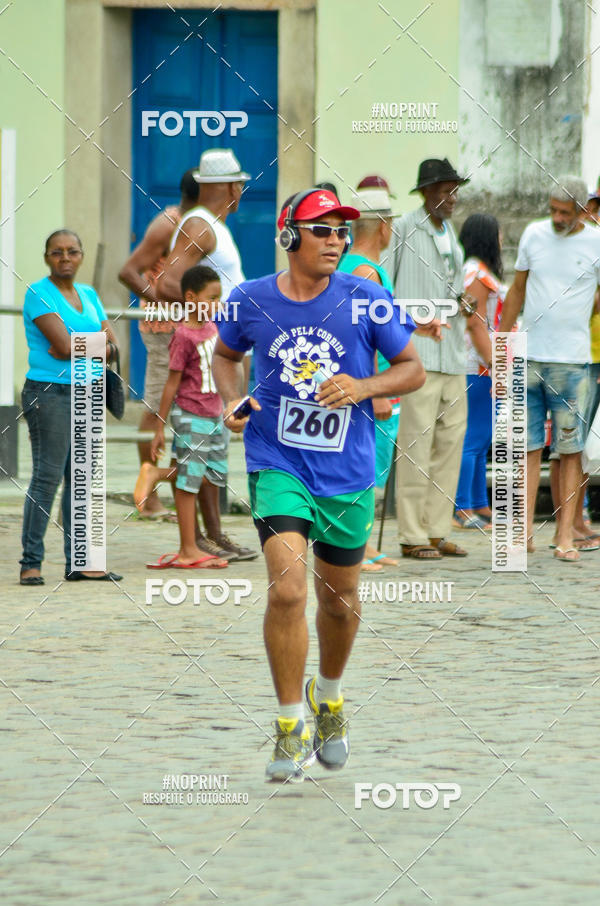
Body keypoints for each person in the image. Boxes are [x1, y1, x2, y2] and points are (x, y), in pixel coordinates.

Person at [212, 187, 425, 781]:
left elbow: (413, 369)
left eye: (342, 231)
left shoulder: (368, 300)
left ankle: (327, 697)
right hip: (277, 460)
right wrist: (234, 402)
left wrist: (363, 388)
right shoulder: (249, 299)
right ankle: (287, 727)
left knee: (339, 601)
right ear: (289, 236)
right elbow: (224, 356)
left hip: (348, 471)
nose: (336, 240)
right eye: (322, 229)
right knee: (286, 591)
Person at [156, 148, 255, 562]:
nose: (241, 192)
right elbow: (169, 282)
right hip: (204, 359)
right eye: (239, 185)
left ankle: (213, 535)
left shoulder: (211, 224)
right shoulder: (201, 225)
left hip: (220, 351)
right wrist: (198, 320)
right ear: (229, 187)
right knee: (196, 463)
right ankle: (196, 540)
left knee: (214, 461)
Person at [338, 185, 444, 570]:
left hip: (369, 382)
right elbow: (361, 334)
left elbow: (384, 320)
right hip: (374, 383)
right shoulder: (366, 271)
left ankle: (361, 543)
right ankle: (353, 546)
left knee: (368, 466)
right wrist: (376, 393)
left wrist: (417, 325)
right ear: (385, 227)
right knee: (366, 468)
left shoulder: (353, 266)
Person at [499, 175, 600, 562]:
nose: (557, 218)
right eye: (553, 210)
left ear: (581, 211)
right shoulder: (533, 234)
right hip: (529, 356)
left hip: (572, 361)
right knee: (525, 447)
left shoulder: (594, 242)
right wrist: (502, 343)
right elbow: (517, 290)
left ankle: (565, 537)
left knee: (570, 449)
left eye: (565, 212)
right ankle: (522, 535)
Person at [20, 230, 123, 585]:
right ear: (47, 257)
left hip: (88, 392)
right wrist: (93, 345)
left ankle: (81, 562)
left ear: (81, 257)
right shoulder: (38, 293)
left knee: (81, 481)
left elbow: (113, 344)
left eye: (72, 251)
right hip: (49, 393)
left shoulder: (89, 294)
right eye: (57, 252)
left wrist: (86, 345)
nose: (65, 257)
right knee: (47, 478)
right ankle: (31, 562)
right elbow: (62, 348)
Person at [392, 157, 469, 559]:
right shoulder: (404, 228)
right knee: (415, 447)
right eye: (444, 190)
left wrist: (461, 303)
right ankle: (412, 534)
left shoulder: (450, 234)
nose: (452, 198)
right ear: (426, 192)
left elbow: (449, 288)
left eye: (455, 190)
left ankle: (438, 529)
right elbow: (385, 290)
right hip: (417, 355)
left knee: (449, 445)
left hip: (453, 354)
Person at [119, 169, 199, 519]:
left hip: (191, 329)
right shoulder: (170, 222)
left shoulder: (198, 223)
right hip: (164, 330)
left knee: (188, 410)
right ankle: (148, 498)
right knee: (155, 406)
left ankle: (182, 495)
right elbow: (128, 272)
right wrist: (166, 302)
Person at [144, 266, 234, 570]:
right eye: (212, 298)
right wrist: (159, 425)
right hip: (190, 414)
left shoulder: (212, 327)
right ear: (191, 297)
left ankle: (157, 474)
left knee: (212, 474)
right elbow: (172, 383)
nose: (217, 304)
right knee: (189, 480)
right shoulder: (183, 335)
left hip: (215, 414)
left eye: (220, 298)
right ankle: (187, 550)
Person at [454, 214, 505, 530]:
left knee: (481, 437)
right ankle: (462, 507)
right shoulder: (477, 274)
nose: (502, 240)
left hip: (482, 364)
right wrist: (495, 365)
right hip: (479, 366)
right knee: (473, 438)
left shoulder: (476, 271)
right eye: (498, 235)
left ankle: (478, 503)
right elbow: (476, 323)